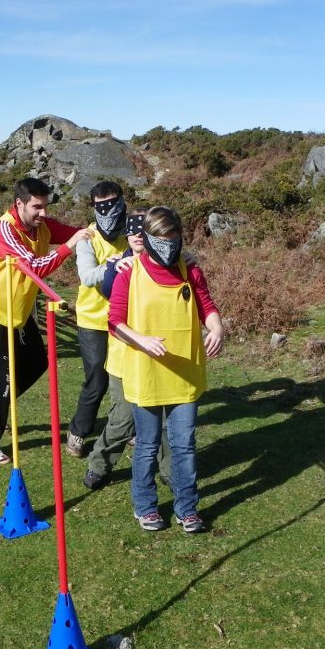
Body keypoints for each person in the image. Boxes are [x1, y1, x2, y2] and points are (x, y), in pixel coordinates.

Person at [108, 206, 224, 533]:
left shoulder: (191, 271)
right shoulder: (129, 273)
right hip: (146, 372)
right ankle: (144, 506)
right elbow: (115, 321)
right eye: (161, 240)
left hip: (185, 372)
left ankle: (187, 508)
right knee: (147, 443)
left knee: (184, 443)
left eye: (174, 239)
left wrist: (216, 329)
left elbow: (207, 307)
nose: (168, 246)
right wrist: (142, 340)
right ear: (147, 238)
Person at [0, 177, 93, 464]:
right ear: (19, 203)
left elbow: (76, 232)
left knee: (38, 361)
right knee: (2, 377)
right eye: (37, 207)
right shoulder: (3, 231)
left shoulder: (42, 226)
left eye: (46, 206)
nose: (43, 213)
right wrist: (70, 246)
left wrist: (94, 231)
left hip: (19, 312)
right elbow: (34, 266)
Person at [83, 208, 172, 490]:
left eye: (141, 231)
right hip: (124, 356)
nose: (136, 236)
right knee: (123, 418)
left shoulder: (167, 263)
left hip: (159, 353)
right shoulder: (117, 265)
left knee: (165, 420)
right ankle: (99, 465)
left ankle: (170, 471)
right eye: (131, 231)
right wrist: (116, 267)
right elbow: (108, 291)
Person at [65, 181, 129, 458]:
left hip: (126, 319)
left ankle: (125, 429)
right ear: (93, 207)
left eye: (113, 204)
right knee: (97, 380)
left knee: (126, 378)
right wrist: (118, 266)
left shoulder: (133, 230)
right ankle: (78, 432)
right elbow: (88, 276)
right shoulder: (87, 238)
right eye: (101, 206)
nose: (108, 211)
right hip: (93, 320)